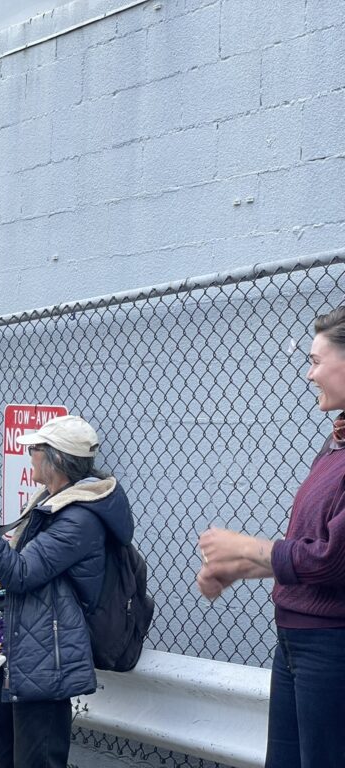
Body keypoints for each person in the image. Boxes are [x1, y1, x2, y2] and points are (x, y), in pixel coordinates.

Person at [197, 307, 345, 768]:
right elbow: (310, 548)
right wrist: (241, 569)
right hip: (296, 638)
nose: (309, 373)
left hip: (331, 646)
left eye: (316, 361)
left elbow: (330, 561)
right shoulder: (337, 442)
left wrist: (244, 548)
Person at [0, 415, 134, 768]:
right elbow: (22, 563)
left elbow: (20, 573)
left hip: (46, 659)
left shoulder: (80, 517)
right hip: (22, 649)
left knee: (36, 760)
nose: (29, 456)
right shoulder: (53, 502)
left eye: (34, 449)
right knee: (10, 757)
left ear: (57, 458)